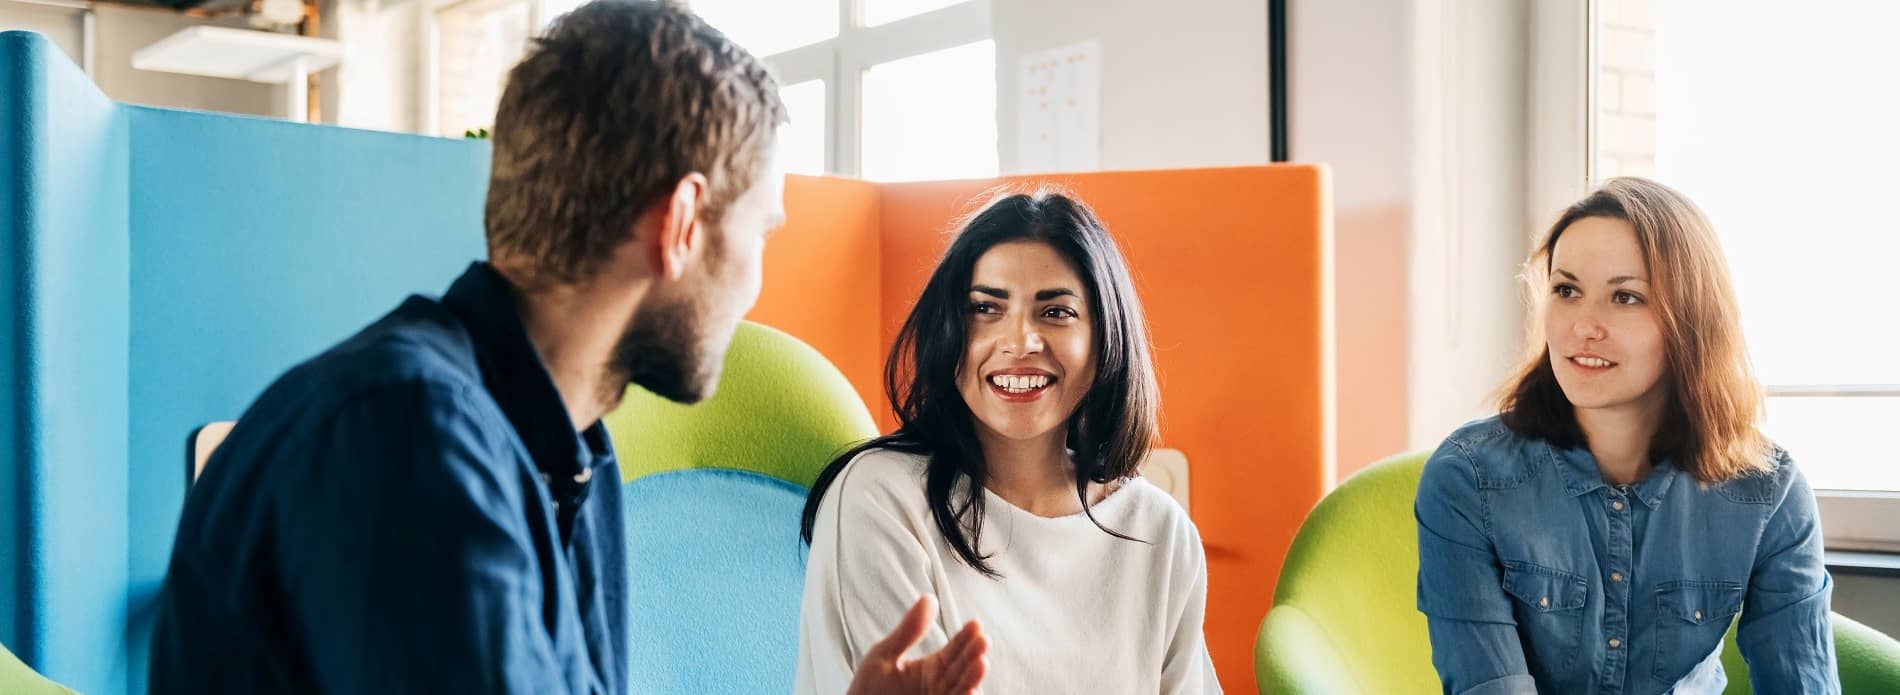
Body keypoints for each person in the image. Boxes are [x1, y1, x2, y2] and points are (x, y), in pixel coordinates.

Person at [149, 2, 984, 692]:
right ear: (683, 225)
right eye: (760, 230)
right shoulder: (409, 438)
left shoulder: (568, 452)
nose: (757, 280)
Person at [1415, 177, 1838, 694]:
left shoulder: (1770, 494)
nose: (1584, 326)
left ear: (1691, 320)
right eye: (1566, 290)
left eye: (1625, 297)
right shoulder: (1468, 480)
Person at [795, 190, 1221, 693]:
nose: (1019, 342)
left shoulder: (1159, 533)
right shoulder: (879, 498)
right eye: (985, 308)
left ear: (1105, 338)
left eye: (1056, 312)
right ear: (948, 329)